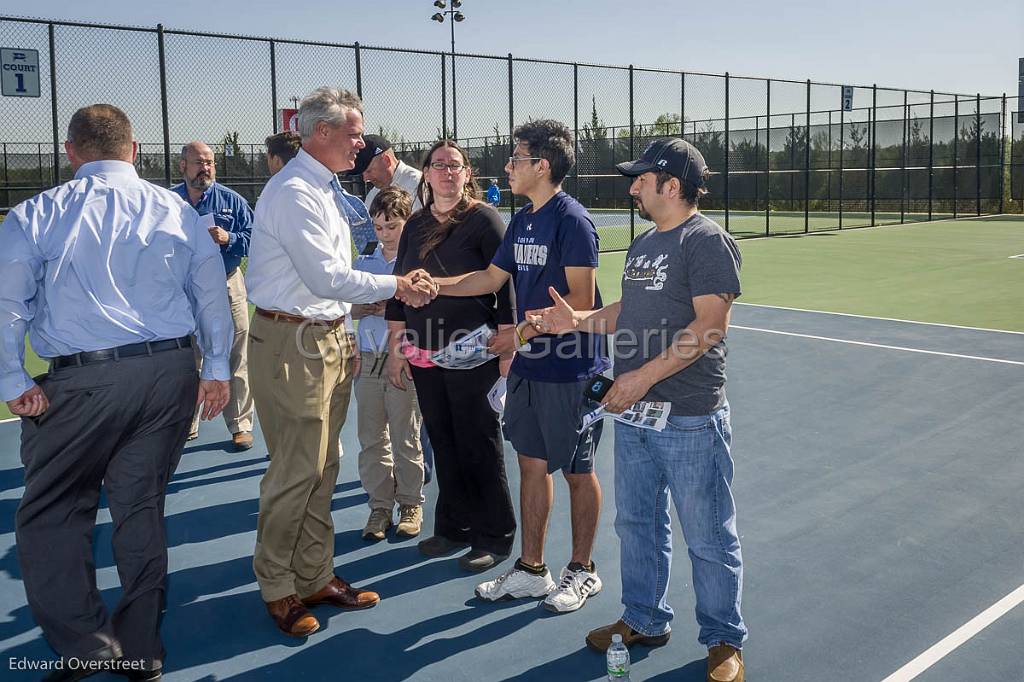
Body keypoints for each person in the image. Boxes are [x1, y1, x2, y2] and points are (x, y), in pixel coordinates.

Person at [1, 104, 232, 681]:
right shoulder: (177, 209)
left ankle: (86, 643)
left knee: (53, 511)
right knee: (140, 506)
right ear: (135, 151)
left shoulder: (36, 213)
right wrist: (219, 368)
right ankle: (141, 648)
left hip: (84, 379)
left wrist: (13, 378)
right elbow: (211, 295)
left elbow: (7, 304)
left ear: (70, 152)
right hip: (169, 375)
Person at [526, 138, 747, 682]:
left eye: (642, 179)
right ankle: (645, 618)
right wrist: (576, 321)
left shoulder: (707, 241)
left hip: (689, 417)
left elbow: (710, 326)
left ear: (672, 186)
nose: (633, 187)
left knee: (707, 534)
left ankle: (723, 640)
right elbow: (630, 309)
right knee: (638, 525)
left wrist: (640, 378)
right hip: (635, 414)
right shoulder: (645, 243)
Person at [245, 87, 437, 638]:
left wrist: (346, 329)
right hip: (290, 345)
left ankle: (314, 574)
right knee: (295, 472)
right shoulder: (294, 193)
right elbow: (327, 277)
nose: (363, 143)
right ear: (321, 133)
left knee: (324, 467)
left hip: (325, 337)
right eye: (354, 133)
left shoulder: (324, 188)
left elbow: (332, 283)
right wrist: (398, 283)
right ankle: (278, 586)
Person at [434, 120, 609, 613]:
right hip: (531, 368)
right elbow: (491, 277)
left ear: (543, 166)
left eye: (516, 158)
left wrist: (521, 334)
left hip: (572, 369)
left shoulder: (571, 221)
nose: (508, 166)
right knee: (531, 464)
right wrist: (434, 284)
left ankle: (582, 570)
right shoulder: (523, 219)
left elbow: (579, 300)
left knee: (578, 469)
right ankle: (533, 569)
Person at [384, 139, 517, 573]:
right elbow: (399, 286)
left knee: (478, 441)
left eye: (453, 165)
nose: (445, 171)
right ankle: (454, 527)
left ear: (466, 173)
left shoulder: (484, 219)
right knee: (443, 441)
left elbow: (505, 283)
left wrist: (507, 341)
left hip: (473, 352)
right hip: (424, 354)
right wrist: (398, 348)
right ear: (425, 173)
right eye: (437, 165)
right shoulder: (417, 224)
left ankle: (493, 535)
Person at [348, 133, 434, 484]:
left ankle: (417, 477)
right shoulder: (372, 196)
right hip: (376, 336)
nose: (365, 177)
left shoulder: (422, 185)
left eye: (367, 167)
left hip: (418, 311)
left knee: (412, 420)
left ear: (385, 158)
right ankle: (398, 483)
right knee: (387, 425)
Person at [351, 187, 425, 541]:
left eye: (392, 226)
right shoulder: (364, 257)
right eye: (379, 227)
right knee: (370, 437)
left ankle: (411, 502)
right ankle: (380, 506)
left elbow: (424, 307)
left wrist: (389, 308)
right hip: (367, 357)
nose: (384, 235)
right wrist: (361, 308)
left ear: (408, 223)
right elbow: (347, 303)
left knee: (405, 435)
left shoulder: (418, 260)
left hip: (403, 358)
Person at [172, 141, 255, 451]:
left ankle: (240, 423)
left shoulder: (231, 201)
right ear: (183, 166)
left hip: (227, 281)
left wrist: (229, 237)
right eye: (197, 162)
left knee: (236, 354)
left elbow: (253, 238)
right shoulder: (167, 202)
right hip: (181, 289)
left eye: (209, 162)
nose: (204, 168)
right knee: (185, 356)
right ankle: (186, 423)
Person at [349, 133, 423, 214]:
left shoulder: (418, 185)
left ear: (386, 160)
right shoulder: (373, 195)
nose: (365, 178)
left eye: (369, 171)